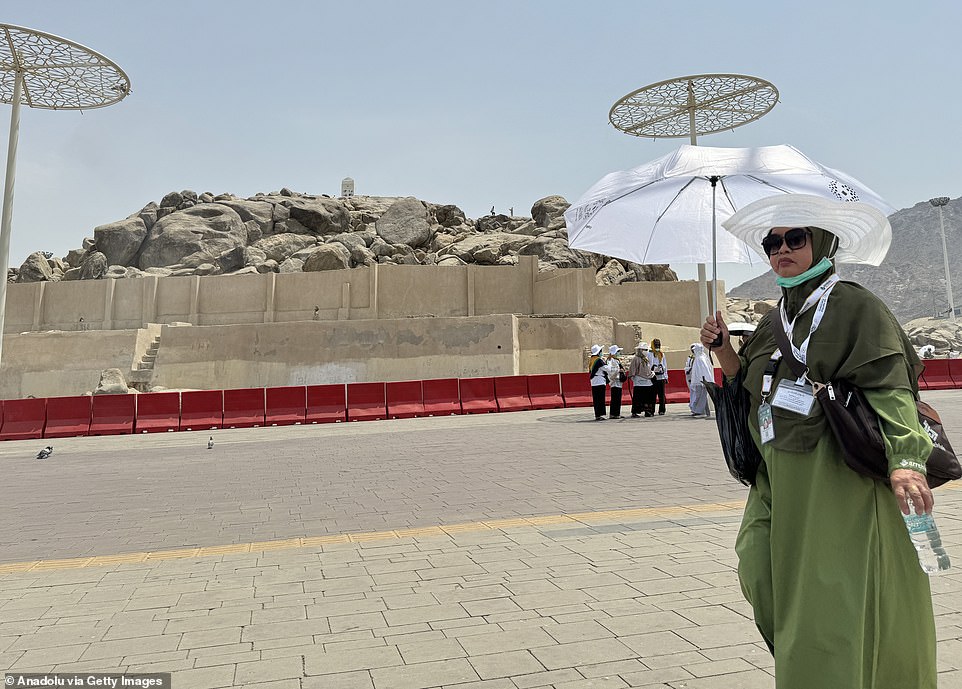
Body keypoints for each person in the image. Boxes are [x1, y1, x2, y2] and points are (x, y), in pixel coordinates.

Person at [700, 194, 937, 689]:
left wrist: (907, 460)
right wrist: (723, 349)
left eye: (794, 239)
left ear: (823, 242)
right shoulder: (773, 318)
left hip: (835, 477)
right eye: (771, 243)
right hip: (776, 474)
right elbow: (752, 383)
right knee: (758, 565)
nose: (780, 250)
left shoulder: (855, 306)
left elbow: (890, 387)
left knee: (834, 599)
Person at [628, 342, 655, 417]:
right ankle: (635, 412)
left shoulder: (645, 359)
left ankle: (647, 411)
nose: (646, 351)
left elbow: (648, 369)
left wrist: (651, 373)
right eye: (645, 350)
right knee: (638, 398)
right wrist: (635, 379)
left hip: (647, 381)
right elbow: (632, 370)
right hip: (639, 381)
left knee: (648, 397)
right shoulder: (636, 359)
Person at [686, 342, 713, 417]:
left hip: (701, 382)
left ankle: (699, 411)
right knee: (701, 397)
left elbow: (705, 371)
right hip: (698, 381)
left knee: (700, 397)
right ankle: (703, 411)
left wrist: (704, 381)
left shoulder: (701, 359)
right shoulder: (698, 358)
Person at [605, 345, 626, 419]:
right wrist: (618, 371)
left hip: (618, 382)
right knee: (615, 398)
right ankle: (614, 414)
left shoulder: (616, 360)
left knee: (617, 398)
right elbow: (611, 371)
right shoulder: (610, 360)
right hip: (614, 382)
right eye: (618, 352)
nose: (619, 353)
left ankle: (616, 413)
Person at [648, 338, 668, 414]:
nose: (657, 346)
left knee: (661, 395)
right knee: (652, 395)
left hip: (661, 377)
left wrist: (666, 376)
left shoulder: (661, 354)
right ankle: (651, 410)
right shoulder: (650, 354)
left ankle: (662, 410)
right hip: (653, 377)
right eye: (656, 345)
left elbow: (665, 365)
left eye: (659, 345)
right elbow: (649, 365)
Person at [588, 344, 608, 421]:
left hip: (594, 381)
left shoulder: (592, 360)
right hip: (600, 381)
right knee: (600, 398)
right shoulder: (598, 360)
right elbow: (606, 369)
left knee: (596, 399)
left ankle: (597, 414)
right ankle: (600, 415)